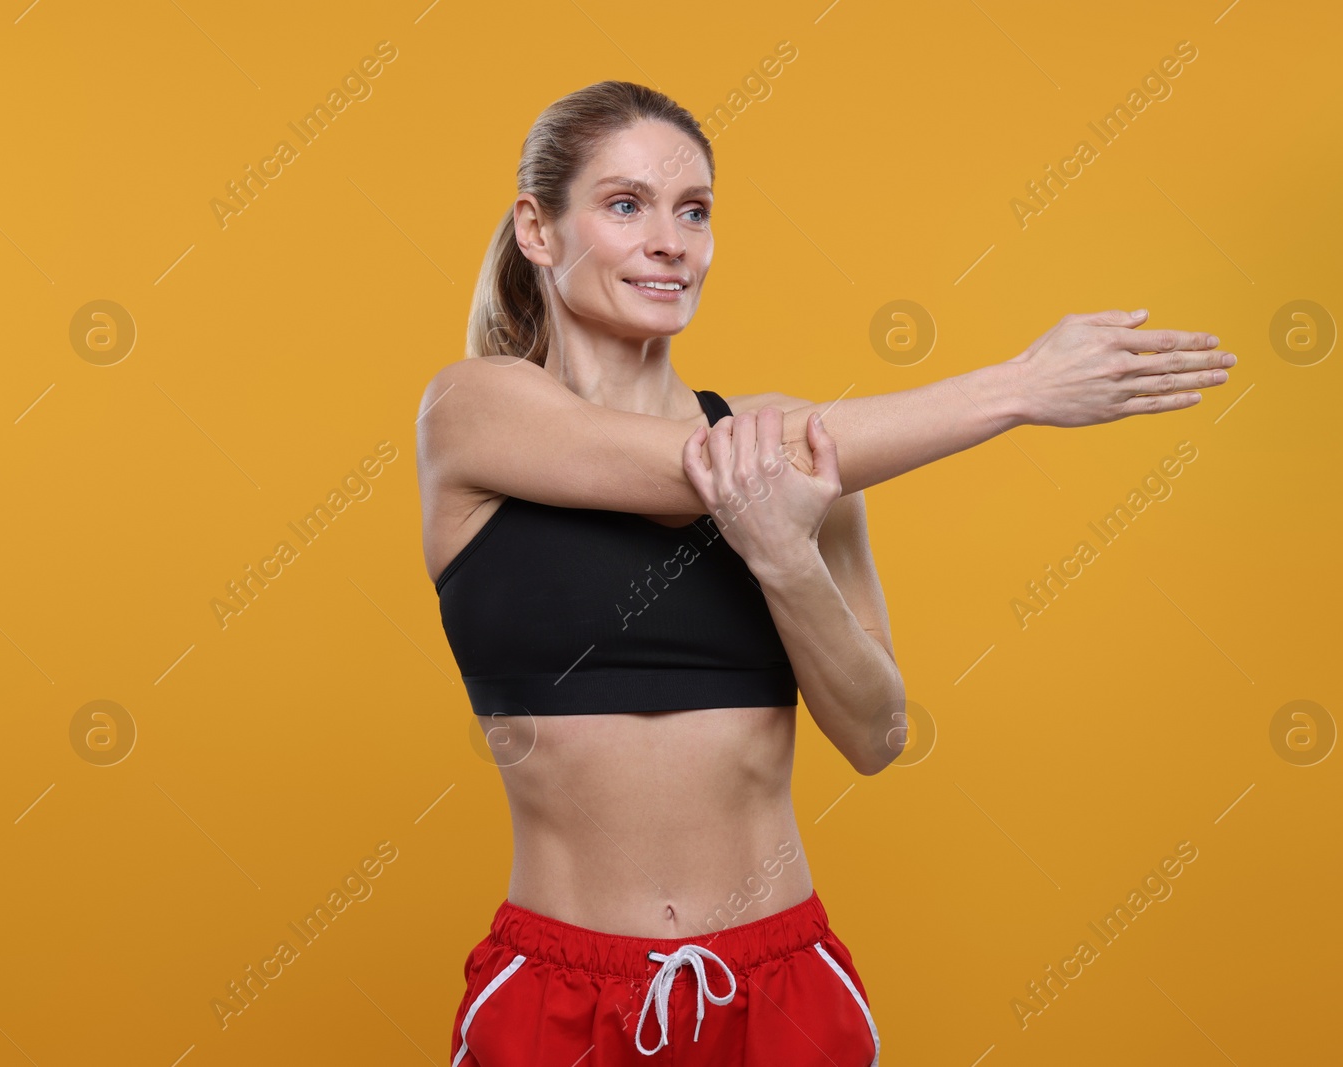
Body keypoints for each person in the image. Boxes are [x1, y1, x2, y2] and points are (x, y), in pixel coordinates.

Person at [416, 80, 1234, 1067]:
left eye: (695, 209)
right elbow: (695, 471)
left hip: (781, 982)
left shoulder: (816, 447)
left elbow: (876, 734)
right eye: (625, 204)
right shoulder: (474, 410)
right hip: (556, 992)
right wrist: (1020, 385)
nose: (670, 239)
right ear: (537, 229)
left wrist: (782, 559)